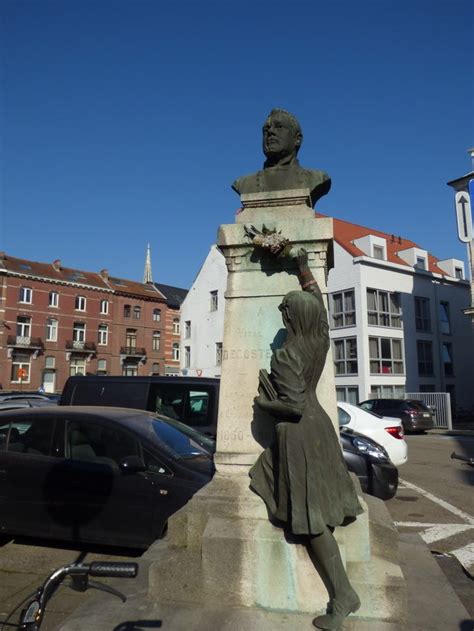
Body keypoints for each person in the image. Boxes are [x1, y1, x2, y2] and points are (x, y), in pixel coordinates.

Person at [249, 248, 363, 630]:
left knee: (312, 520)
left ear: (292, 317)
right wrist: (302, 268)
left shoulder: (286, 355)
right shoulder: (318, 341)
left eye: (285, 314)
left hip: (298, 435)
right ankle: (343, 592)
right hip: (321, 429)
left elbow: (291, 407)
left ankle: (343, 594)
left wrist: (265, 402)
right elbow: (319, 306)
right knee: (273, 481)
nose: (282, 319)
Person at [232, 109, 331, 208]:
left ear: (297, 139)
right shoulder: (244, 183)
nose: (270, 132)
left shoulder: (317, 178)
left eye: (279, 127)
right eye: (266, 129)